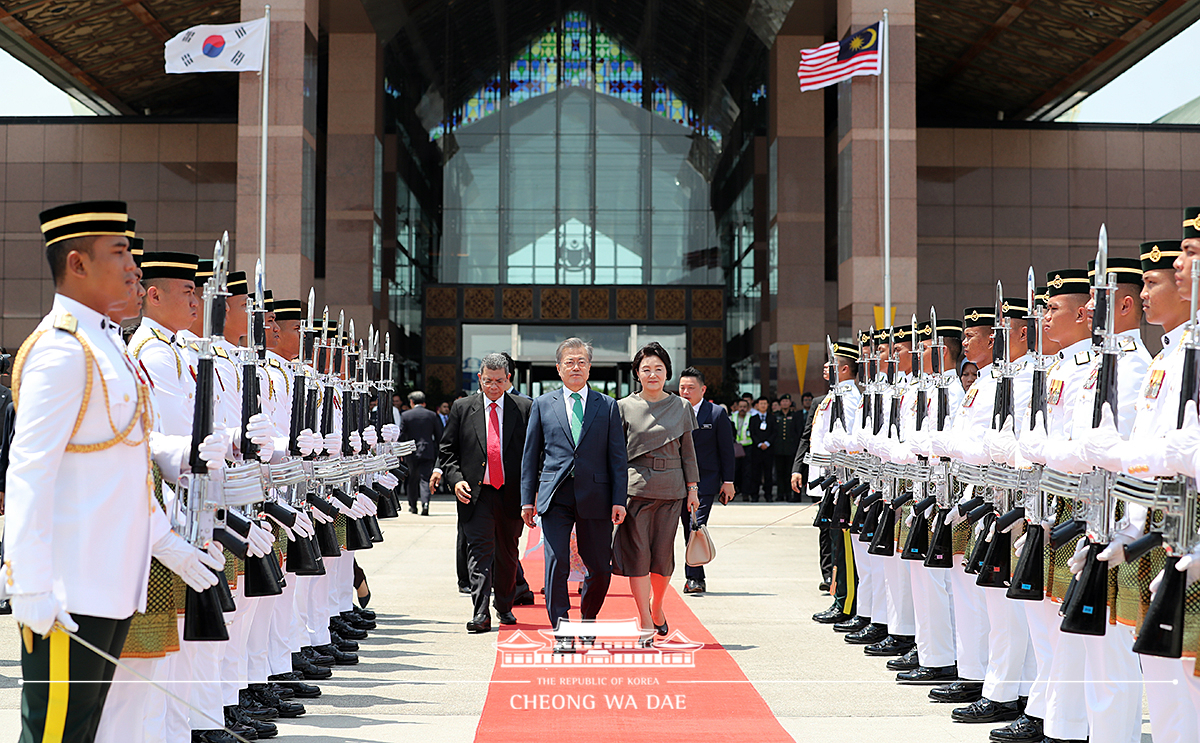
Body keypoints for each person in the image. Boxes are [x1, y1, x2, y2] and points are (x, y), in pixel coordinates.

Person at [6, 201, 221, 743]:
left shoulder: (108, 346)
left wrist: (180, 454)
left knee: (85, 731)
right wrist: (29, 586)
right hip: (68, 590)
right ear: (77, 265)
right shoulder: (63, 349)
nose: (133, 267)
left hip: (111, 584)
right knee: (54, 733)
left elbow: (125, 455)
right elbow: (29, 473)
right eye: (120, 253)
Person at [520, 338, 628, 648]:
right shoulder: (542, 404)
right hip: (556, 495)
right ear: (558, 368)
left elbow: (617, 458)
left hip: (597, 495)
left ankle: (589, 619)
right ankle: (562, 631)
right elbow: (531, 456)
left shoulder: (607, 405)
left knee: (599, 567)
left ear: (590, 367)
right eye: (570, 362)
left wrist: (619, 499)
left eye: (581, 361)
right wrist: (528, 499)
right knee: (557, 563)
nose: (576, 366)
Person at [437, 354, 532, 634]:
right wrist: (455, 480)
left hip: (511, 494)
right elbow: (447, 451)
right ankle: (480, 612)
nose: (493, 386)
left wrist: (532, 492)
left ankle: (504, 606)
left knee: (507, 553)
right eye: (488, 380)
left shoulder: (524, 408)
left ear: (508, 380)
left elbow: (533, 453)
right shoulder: (463, 408)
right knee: (479, 552)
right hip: (476, 494)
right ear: (480, 378)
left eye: (499, 381)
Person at [613, 343, 699, 639]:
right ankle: (644, 621)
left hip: (671, 491)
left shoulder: (681, 406)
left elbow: (688, 453)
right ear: (637, 373)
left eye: (658, 369)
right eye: (646, 369)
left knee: (663, 558)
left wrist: (693, 489)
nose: (653, 374)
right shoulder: (622, 407)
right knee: (637, 556)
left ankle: (657, 606)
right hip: (634, 490)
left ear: (667, 373)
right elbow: (615, 455)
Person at [676, 367, 734, 595]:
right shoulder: (673, 411)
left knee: (694, 527)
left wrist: (728, 481)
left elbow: (726, 451)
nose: (686, 392)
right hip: (675, 481)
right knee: (681, 529)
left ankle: (695, 579)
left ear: (703, 389)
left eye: (691, 388)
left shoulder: (716, 414)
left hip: (705, 483)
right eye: (682, 388)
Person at [401, 390, 443, 516]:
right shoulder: (432, 415)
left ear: (412, 402)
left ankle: (413, 506)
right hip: (428, 450)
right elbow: (440, 434)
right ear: (424, 402)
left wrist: (400, 452)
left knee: (412, 479)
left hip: (411, 451)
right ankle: (425, 503)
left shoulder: (406, 415)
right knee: (425, 478)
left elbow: (401, 435)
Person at [747, 396, 777, 501]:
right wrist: (759, 444)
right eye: (761, 404)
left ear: (768, 405)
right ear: (757, 405)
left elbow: (774, 432)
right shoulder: (753, 419)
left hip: (769, 450)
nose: (763, 405)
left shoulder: (772, 418)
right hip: (757, 450)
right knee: (755, 473)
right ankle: (754, 495)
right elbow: (752, 433)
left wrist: (767, 443)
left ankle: (768, 495)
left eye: (765, 403)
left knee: (768, 473)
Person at [774, 394, 800, 502]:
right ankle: (780, 494)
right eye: (783, 401)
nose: (785, 403)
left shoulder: (795, 416)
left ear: (790, 403)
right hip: (778, 448)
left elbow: (798, 431)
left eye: (787, 401)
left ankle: (790, 495)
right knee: (779, 473)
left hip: (791, 449)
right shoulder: (775, 415)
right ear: (780, 403)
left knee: (790, 473)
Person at [731, 398, 752, 497]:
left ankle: (745, 493)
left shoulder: (751, 417)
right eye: (740, 407)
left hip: (747, 446)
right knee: (735, 471)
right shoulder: (731, 417)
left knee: (746, 472)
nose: (742, 409)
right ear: (737, 407)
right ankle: (734, 492)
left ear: (748, 408)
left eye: (744, 407)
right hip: (735, 446)